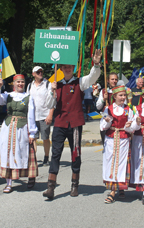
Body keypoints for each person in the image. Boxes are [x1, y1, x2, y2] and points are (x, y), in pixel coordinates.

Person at [42, 49, 102, 200]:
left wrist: (96, 64)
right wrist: (52, 92)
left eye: (70, 67)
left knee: (75, 153)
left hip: (74, 123)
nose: (67, 69)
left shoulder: (80, 82)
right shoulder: (55, 84)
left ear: (73, 69)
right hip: (60, 123)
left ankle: (75, 184)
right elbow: (49, 104)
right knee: (56, 153)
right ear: (61, 69)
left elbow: (93, 77)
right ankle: (50, 186)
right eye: (65, 67)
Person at [0, 74, 38, 193]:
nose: (20, 84)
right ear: (14, 84)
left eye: (22, 82)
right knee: (8, 153)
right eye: (18, 82)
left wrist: (32, 133)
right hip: (8, 127)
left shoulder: (28, 97)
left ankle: (30, 176)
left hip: (22, 127)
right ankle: (9, 183)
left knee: (24, 151)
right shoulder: (8, 95)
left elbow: (31, 115)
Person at [100, 85, 133, 204]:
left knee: (122, 163)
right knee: (112, 163)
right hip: (111, 139)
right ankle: (114, 189)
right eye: (121, 95)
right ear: (114, 96)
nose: (123, 97)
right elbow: (102, 126)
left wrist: (130, 126)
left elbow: (133, 125)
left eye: (124, 95)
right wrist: (107, 121)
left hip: (123, 139)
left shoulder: (128, 109)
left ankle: (119, 188)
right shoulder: (108, 109)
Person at [27, 66, 54, 167]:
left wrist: (50, 115)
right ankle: (33, 158)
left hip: (44, 115)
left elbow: (53, 101)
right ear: (33, 74)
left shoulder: (47, 84)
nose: (40, 73)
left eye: (41, 71)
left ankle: (46, 157)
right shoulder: (30, 86)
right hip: (33, 116)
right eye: (38, 72)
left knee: (45, 138)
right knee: (33, 138)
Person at [96, 73, 119, 144]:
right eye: (112, 79)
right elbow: (98, 107)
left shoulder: (120, 91)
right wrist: (103, 99)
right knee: (106, 145)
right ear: (108, 80)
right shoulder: (103, 91)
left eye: (116, 79)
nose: (114, 81)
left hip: (117, 120)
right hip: (106, 120)